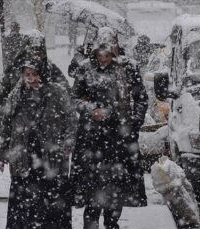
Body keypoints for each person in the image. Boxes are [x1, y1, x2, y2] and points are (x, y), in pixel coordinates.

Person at [71, 27, 148, 229]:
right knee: (92, 187)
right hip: (91, 138)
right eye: (100, 55)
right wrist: (90, 109)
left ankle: (112, 223)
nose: (103, 59)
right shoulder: (85, 68)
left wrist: (133, 124)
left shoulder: (128, 67)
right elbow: (74, 98)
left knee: (117, 188)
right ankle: (91, 223)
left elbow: (141, 98)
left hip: (120, 138)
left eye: (107, 55)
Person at [0, 57, 77, 229]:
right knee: (24, 203)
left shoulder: (57, 92)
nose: (31, 79)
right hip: (23, 155)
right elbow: (6, 124)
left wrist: (68, 143)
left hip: (50, 155)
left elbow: (70, 119)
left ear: (43, 74)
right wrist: (2, 150)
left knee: (51, 200)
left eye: (35, 74)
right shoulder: (16, 94)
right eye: (27, 75)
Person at [0, 33, 72, 179]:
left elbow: (67, 101)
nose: (36, 55)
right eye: (32, 51)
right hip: (22, 138)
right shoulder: (13, 72)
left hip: (48, 139)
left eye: (39, 51)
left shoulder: (51, 70)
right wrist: (14, 118)